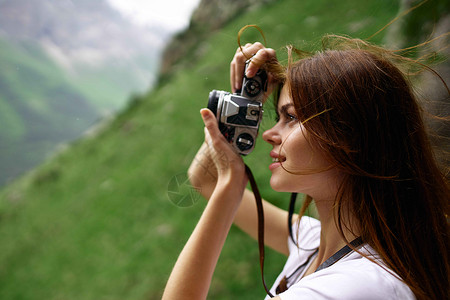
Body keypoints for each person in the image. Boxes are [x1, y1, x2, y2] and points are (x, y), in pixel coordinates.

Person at [162, 35, 450, 299]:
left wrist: (231, 185)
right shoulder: (315, 243)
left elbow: (214, 184)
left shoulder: (350, 288)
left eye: (290, 118)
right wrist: (244, 102)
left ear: (347, 136)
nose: (269, 134)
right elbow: (204, 179)